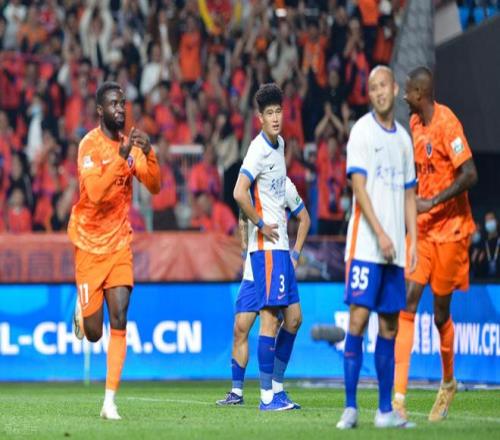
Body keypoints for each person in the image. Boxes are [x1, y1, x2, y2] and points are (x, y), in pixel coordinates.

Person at [68, 81, 161, 420]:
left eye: (122, 103)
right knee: (94, 334)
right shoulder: (89, 146)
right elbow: (93, 193)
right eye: (113, 104)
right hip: (89, 246)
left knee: (120, 318)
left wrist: (149, 153)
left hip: (120, 243)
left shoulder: (130, 146)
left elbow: (155, 186)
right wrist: (121, 160)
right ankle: (83, 311)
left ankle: (109, 402)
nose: (120, 109)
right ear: (100, 110)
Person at [394, 66, 478, 422]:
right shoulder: (414, 125)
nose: (404, 98)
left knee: (440, 313)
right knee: (408, 301)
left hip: (451, 231)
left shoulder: (447, 124)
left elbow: (470, 174)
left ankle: (447, 383)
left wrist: (434, 201)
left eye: (408, 92)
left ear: (420, 94)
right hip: (423, 231)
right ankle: (397, 398)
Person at [336, 66, 417, 429]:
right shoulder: (362, 132)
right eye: (373, 88)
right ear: (369, 95)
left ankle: (384, 411)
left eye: (384, 85)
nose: (379, 92)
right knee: (358, 319)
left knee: (389, 327)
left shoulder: (404, 140)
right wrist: (382, 234)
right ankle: (350, 407)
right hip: (367, 247)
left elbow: (410, 194)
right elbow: (359, 188)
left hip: (395, 252)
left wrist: (412, 240)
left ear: (395, 89)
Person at [233, 83, 302, 411]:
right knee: (270, 320)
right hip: (267, 247)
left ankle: (277, 388)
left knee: (295, 318)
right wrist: (259, 224)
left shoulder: (281, 144)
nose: (275, 118)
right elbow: (239, 192)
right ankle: (266, 397)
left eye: (278, 112)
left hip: (282, 248)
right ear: (259, 118)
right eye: (269, 113)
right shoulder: (258, 149)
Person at [216, 177, 310, 406]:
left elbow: (305, 219)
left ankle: (275, 387)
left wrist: (295, 254)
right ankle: (237, 392)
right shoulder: (249, 184)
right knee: (240, 328)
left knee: (290, 321)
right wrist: (244, 246)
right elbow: (243, 216)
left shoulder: (284, 184)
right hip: (253, 267)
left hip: (275, 262)